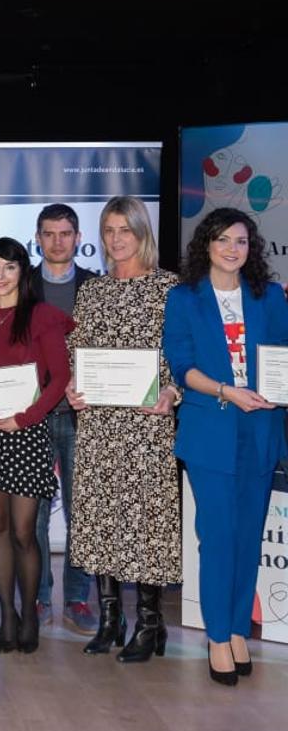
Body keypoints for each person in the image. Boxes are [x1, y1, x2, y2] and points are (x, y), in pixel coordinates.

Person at [163, 208, 288, 685]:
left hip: (260, 429)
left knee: (247, 538)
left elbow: (282, 355)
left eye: (240, 241)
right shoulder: (185, 298)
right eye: (222, 240)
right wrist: (225, 389)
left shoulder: (269, 296)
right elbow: (183, 367)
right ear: (206, 246)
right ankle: (217, 635)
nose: (232, 249)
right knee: (216, 539)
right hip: (210, 431)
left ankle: (239, 628)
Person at [66, 196, 181, 662]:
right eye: (109, 230)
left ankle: (151, 625)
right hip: (99, 425)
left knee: (146, 524)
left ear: (142, 234)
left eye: (125, 231)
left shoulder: (169, 288)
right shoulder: (92, 291)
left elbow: (182, 351)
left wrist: (172, 393)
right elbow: (78, 348)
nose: (116, 240)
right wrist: (73, 386)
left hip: (148, 426)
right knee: (100, 523)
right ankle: (111, 620)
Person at [0, 237, 74, 653]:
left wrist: (24, 418)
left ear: (23, 272)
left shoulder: (42, 316)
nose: (0, 275)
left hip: (26, 435)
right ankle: (7, 615)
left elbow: (59, 378)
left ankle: (31, 612)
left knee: (26, 533)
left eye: (9, 267)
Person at [32, 203, 98, 634]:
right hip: (33, 415)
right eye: (49, 234)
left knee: (83, 512)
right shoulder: (21, 286)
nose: (57, 241)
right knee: (33, 516)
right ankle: (38, 596)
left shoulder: (97, 288)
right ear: (37, 238)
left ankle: (76, 597)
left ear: (77, 237)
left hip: (83, 416)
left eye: (65, 233)